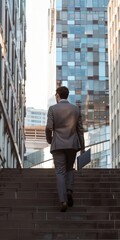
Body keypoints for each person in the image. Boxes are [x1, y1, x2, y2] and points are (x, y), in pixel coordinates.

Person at [45, 86, 85, 212]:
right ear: (67, 95)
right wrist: (82, 146)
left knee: (60, 172)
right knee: (69, 168)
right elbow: (80, 129)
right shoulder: (75, 109)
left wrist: (49, 139)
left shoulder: (52, 109)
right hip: (72, 145)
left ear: (58, 95)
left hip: (58, 145)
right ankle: (69, 190)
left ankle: (63, 201)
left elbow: (48, 127)